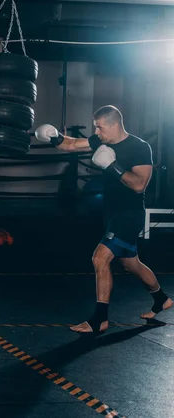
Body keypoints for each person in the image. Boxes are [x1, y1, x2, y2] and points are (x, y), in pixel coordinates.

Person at [35, 105, 172, 334]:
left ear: (114, 125)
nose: (96, 132)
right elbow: (71, 144)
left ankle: (99, 320)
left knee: (100, 258)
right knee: (131, 264)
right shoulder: (102, 141)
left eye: (100, 127)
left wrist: (112, 166)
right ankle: (161, 299)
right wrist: (54, 137)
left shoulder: (139, 147)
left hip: (129, 215)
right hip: (111, 214)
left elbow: (139, 185)